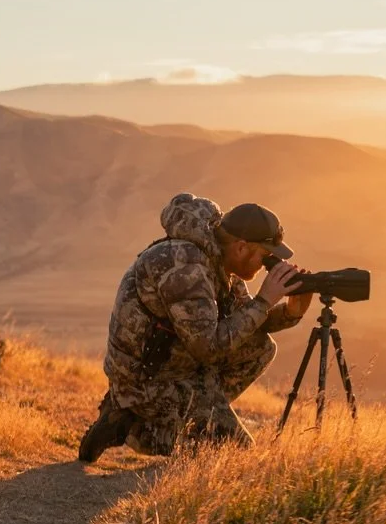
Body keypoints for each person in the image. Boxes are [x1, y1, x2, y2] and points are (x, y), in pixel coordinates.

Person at [78, 193, 313, 461]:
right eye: (266, 257)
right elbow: (208, 348)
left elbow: (243, 323)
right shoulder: (185, 266)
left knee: (260, 348)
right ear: (241, 247)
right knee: (234, 454)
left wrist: (290, 313)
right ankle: (132, 422)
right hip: (144, 379)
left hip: (175, 365)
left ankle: (190, 418)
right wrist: (263, 300)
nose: (268, 266)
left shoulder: (220, 264)